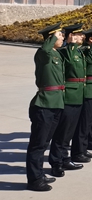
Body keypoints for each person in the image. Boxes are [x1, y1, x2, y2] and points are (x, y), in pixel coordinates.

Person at [25, 23, 64, 191]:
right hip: (44, 104)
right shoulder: (43, 54)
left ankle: (39, 174)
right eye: (59, 35)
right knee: (38, 144)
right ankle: (34, 180)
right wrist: (52, 36)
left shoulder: (56, 54)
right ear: (50, 38)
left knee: (45, 142)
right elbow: (44, 50)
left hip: (55, 103)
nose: (62, 37)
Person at [48, 23, 85, 178]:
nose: (81, 36)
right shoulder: (66, 51)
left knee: (68, 132)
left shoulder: (78, 51)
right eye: (76, 34)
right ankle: (56, 162)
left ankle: (65, 158)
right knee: (62, 133)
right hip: (69, 95)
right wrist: (70, 43)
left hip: (77, 95)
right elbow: (69, 60)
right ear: (71, 36)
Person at [71, 26, 92, 163]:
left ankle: (83, 149)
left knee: (89, 122)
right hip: (89, 90)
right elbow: (90, 61)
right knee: (84, 124)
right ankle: (78, 151)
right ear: (91, 39)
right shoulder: (87, 50)